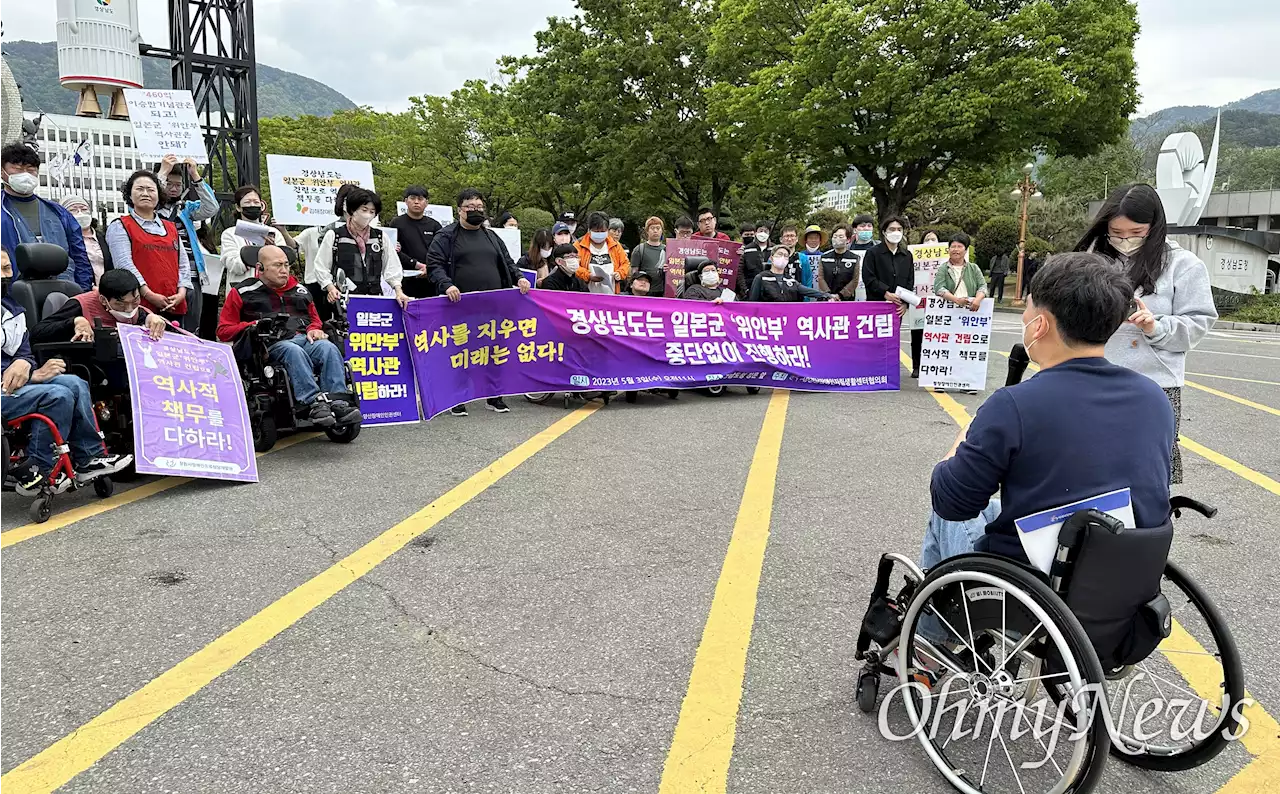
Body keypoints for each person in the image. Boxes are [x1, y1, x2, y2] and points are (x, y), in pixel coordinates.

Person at [922, 252, 1174, 568]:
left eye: (1027, 308)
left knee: (947, 502)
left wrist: (966, 435)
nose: (1023, 318)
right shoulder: (1154, 397)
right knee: (992, 510)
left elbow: (952, 502)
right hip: (1120, 575)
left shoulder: (1015, 405)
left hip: (1030, 582)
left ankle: (931, 611)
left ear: (1040, 325)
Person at [1075, 183, 1218, 485]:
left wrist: (1155, 326)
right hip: (1094, 377)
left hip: (1156, 384)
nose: (1125, 240)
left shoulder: (1183, 264)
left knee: (1148, 472)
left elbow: (1198, 322)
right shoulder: (1094, 259)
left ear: (1154, 227)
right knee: (1089, 464)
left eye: (1136, 232)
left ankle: (1146, 530)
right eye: (1117, 232)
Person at [0, 248, 132, 495]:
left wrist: (26, 364)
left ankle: (89, 459)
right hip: (4, 388)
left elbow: (25, 350)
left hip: (15, 384)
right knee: (57, 395)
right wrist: (30, 374)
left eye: (7, 269)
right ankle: (39, 468)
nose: (3, 276)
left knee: (74, 382)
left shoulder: (12, 309)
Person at [217, 245, 359, 429]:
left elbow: (315, 320)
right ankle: (313, 402)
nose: (284, 270)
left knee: (328, 347)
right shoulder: (243, 292)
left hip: (303, 339)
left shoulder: (300, 290)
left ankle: (338, 401)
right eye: (277, 265)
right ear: (260, 268)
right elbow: (223, 330)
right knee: (292, 350)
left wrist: (315, 329)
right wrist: (253, 325)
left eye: (286, 265)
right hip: (269, 345)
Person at [425, 188, 532, 416]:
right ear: (459, 210)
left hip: (494, 304)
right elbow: (434, 265)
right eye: (470, 208)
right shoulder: (446, 236)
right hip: (460, 305)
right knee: (461, 351)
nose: (475, 211)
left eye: (479, 208)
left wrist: (520, 277)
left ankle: (494, 397)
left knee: (495, 351)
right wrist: (447, 285)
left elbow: (507, 262)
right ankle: (458, 397)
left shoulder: (491, 236)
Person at [0, 143, 92, 290]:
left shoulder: (59, 213)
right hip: (10, 294)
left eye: (31, 170)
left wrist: (82, 294)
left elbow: (79, 256)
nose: (25, 175)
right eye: (17, 169)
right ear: (2, 171)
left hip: (62, 292)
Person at [105, 170, 191, 323]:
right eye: (139, 189)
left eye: (151, 189)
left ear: (159, 195)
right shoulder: (120, 226)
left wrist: (182, 292)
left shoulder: (171, 227)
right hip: (140, 308)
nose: (145, 193)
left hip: (174, 305)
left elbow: (183, 264)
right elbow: (124, 265)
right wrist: (148, 294)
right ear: (129, 195)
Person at [155, 155, 221, 334]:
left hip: (192, 277)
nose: (174, 189)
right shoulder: (148, 211)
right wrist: (162, 173)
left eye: (178, 184)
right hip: (162, 277)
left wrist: (195, 175)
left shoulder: (186, 209)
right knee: (165, 328)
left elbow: (211, 208)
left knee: (191, 329)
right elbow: (141, 201)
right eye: (169, 183)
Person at [314, 188, 407, 308]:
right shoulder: (335, 235)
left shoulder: (380, 237)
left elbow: (392, 266)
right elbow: (321, 266)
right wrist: (330, 287)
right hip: (343, 300)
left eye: (372, 211)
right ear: (353, 210)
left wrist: (398, 291)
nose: (368, 215)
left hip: (374, 298)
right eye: (364, 210)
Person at [30, 268, 169, 344]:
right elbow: (37, 332)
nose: (129, 310)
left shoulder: (139, 311)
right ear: (103, 300)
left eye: (135, 301)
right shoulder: (80, 305)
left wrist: (153, 319)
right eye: (120, 305)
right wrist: (74, 322)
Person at [931, 232, 988, 394]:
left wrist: (977, 299)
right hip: (948, 313)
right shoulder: (943, 268)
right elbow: (939, 288)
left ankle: (967, 382)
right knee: (944, 346)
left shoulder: (973, 268)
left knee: (967, 348)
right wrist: (955, 300)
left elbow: (983, 286)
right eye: (953, 246)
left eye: (959, 246)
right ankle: (941, 380)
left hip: (969, 313)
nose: (955, 250)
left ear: (966, 249)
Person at [862, 216, 918, 376]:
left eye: (899, 230)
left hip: (897, 307)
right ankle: (872, 370)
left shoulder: (906, 255)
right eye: (892, 229)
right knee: (874, 338)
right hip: (877, 303)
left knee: (891, 338)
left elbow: (909, 280)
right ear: (884, 232)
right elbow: (868, 277)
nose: (896, 233)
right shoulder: (873, 253)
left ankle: (889, 370)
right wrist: (885, 292)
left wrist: (905, 303)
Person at [220, 185, 298, 288]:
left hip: (272, 290)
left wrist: (273, 250)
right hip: (242, 291)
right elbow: (234, 266)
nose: (252, 205)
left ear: (261, 206)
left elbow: (284, 264)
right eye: (247, 202)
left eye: (256, 202)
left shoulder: (273, 232)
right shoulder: (229, 234)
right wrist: (261, 251)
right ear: (238, 207)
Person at [390, 185, 443, 299]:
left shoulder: (435, 225)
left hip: (430, 279)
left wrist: (430, 268)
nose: (416, 202)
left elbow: (441, 252)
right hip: (405, 280)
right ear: (406, 201)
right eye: (412, 198)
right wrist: (416, 265)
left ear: (426, 202)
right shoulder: (396, 223)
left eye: (420, 199)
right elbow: (394, 251)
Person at [750, 246, 839, 302]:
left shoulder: (790, 280)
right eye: (780, 254)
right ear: (772, 258)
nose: (783, 257)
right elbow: (752, 302)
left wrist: (828, 295)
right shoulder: (761, 277)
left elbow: (807, 291)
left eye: (785, 256)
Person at [573, 212, 630, 295]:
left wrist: (619, 273)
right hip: (587, 294)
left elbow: (625, 263)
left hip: (611, 294)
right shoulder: (579, 245)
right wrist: (588, 276)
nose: (599, 233)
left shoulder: (615, 245)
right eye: (596, 231)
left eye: (603, 231)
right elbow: (574, 266)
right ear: (589, 230)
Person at [59, 195, 108, 287]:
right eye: (73, 210)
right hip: (81, 291)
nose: (80, 213)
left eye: (84, 209)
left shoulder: (104, 238)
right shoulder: (64, 241)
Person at [817, 224, 861, 301]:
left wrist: (840, 295)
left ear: (848, 240)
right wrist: (829, 295)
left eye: (840, 237)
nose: (837, 239)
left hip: (846, 300)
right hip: (826, 299)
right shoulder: (824, 257)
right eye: (835, 236)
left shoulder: (854, 258)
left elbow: (855, 280)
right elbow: (821, 278)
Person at [629, 217, 667, 297]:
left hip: (662, 291)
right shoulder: (639, 249)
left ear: (662, 231)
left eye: (658, 228)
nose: (655, 231)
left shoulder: (667, 249)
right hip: (643, 292)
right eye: (652, 228)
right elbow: (634, 272)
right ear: (647, 231)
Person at [736, 221, 771, 299]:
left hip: (770, 292)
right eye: (760, 231)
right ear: (756, 232)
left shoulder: (774, 250)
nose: (763, 233)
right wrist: (745, 290)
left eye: (765, 231)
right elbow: (740, 272)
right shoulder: (747, 249)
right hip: (750, 291)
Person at [790, 224, 823, 288]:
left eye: (816, 238)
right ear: (806, 240)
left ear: (820, 241)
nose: (813, 240)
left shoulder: (824, 257)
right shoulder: (798, 256)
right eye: (810, 238)